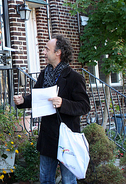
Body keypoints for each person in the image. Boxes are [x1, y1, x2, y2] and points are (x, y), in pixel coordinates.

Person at [14, 34, 90, 184]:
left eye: (47, 49)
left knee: (68, 180)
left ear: (58, 52)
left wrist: (63, 103)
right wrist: (23, 101)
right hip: (48, 137)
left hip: (67, 138)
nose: (43, 52)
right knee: (45, 179)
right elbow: (37, 97)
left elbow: (84, 106)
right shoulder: (44, 74)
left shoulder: (75, 78)